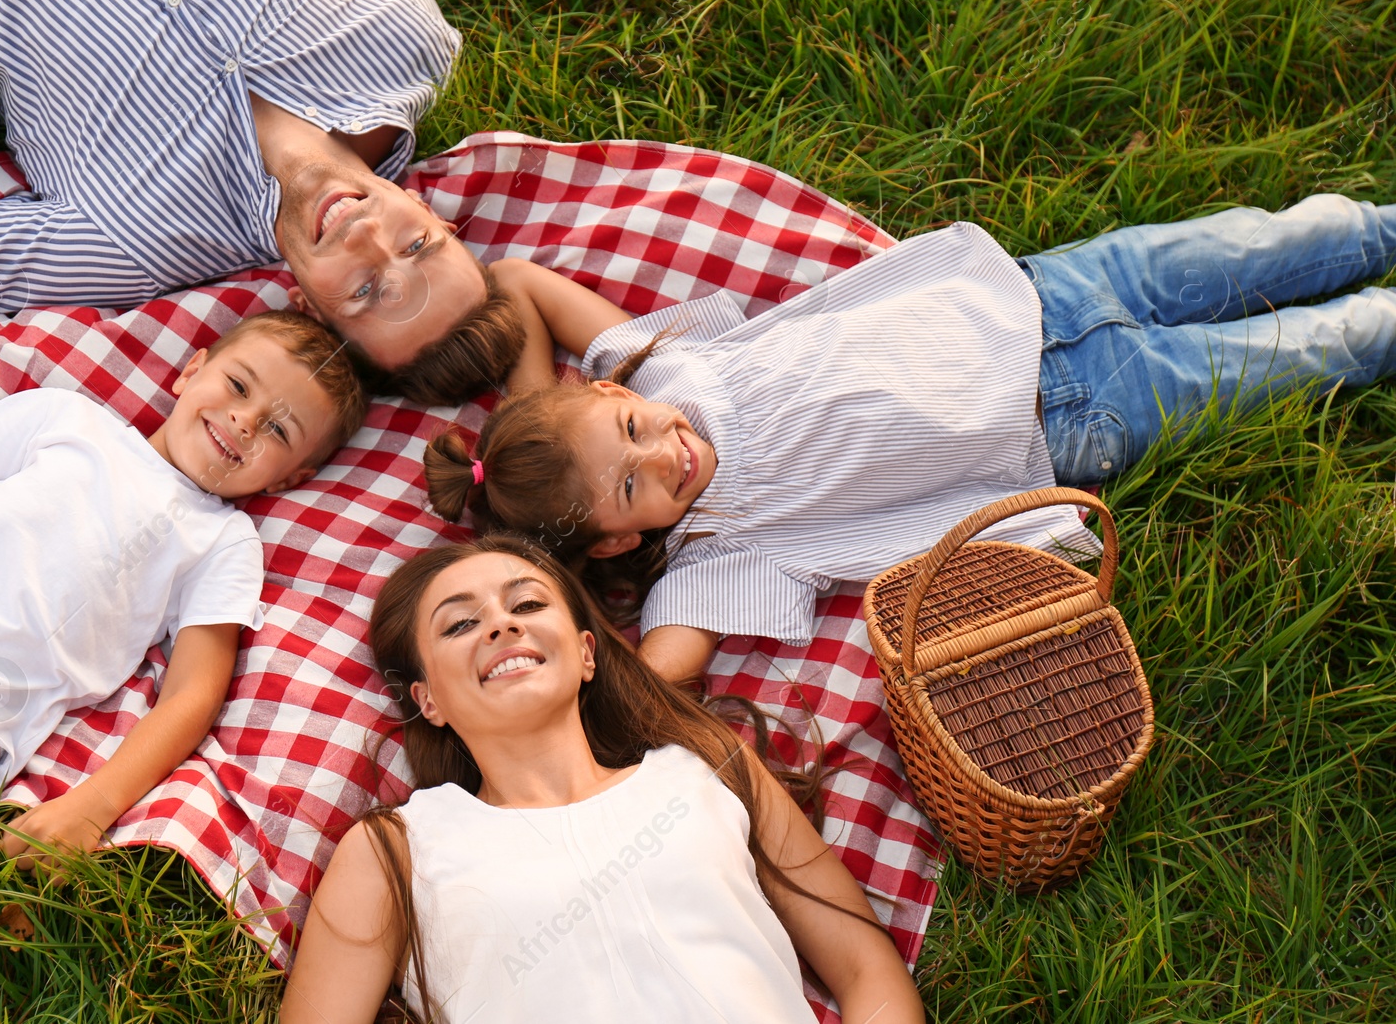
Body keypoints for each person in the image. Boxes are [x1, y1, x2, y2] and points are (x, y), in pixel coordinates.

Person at [425, 193, 1396, 682]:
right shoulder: (718, 550)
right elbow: (654, 669)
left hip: (1036, 289)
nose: (662, 452)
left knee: (1273, 239)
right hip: (1074, 418)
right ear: (614, 541)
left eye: (630, 428)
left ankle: (1377, 229)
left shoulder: (668, 368)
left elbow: (515, 282)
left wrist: (522, 414)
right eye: (633, 487)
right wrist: (534, 580)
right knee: (1323, 347)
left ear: (608, 385)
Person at [0, 310, 364, 906]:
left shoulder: (223, 541)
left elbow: (192, 697)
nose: (245, 423)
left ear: (292, 478)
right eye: (239, 387)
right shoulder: (69, 419)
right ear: (191, 370)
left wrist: (93, 805)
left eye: (278, 430)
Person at [0, 0, 525, 404]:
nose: (371, 240)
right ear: (429, 210)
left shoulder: (135, 239)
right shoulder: (403, 41)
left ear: (311, 308)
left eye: (366, 289)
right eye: (418, 246)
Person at [277, 533, 923, 1023]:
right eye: (461, 623)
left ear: (586, 653)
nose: (502, 624)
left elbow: (867, 968)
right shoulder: (397, 850)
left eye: (526, 602)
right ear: (429, 700)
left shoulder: (707, 766)